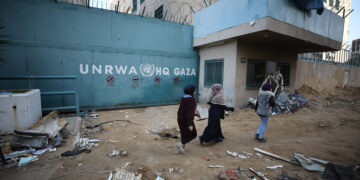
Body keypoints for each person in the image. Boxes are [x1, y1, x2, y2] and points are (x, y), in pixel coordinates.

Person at [176, 85, 197, 154]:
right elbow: (190, 112)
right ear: (192, 92)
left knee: (184, 134)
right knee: (193, 134)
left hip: (180, 119)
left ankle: (180, 149)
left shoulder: (184, 98)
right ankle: (180, 143)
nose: (195, 92)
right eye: (194, 90)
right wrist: (190, 124)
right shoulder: (191, 100)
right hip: (186, 120)